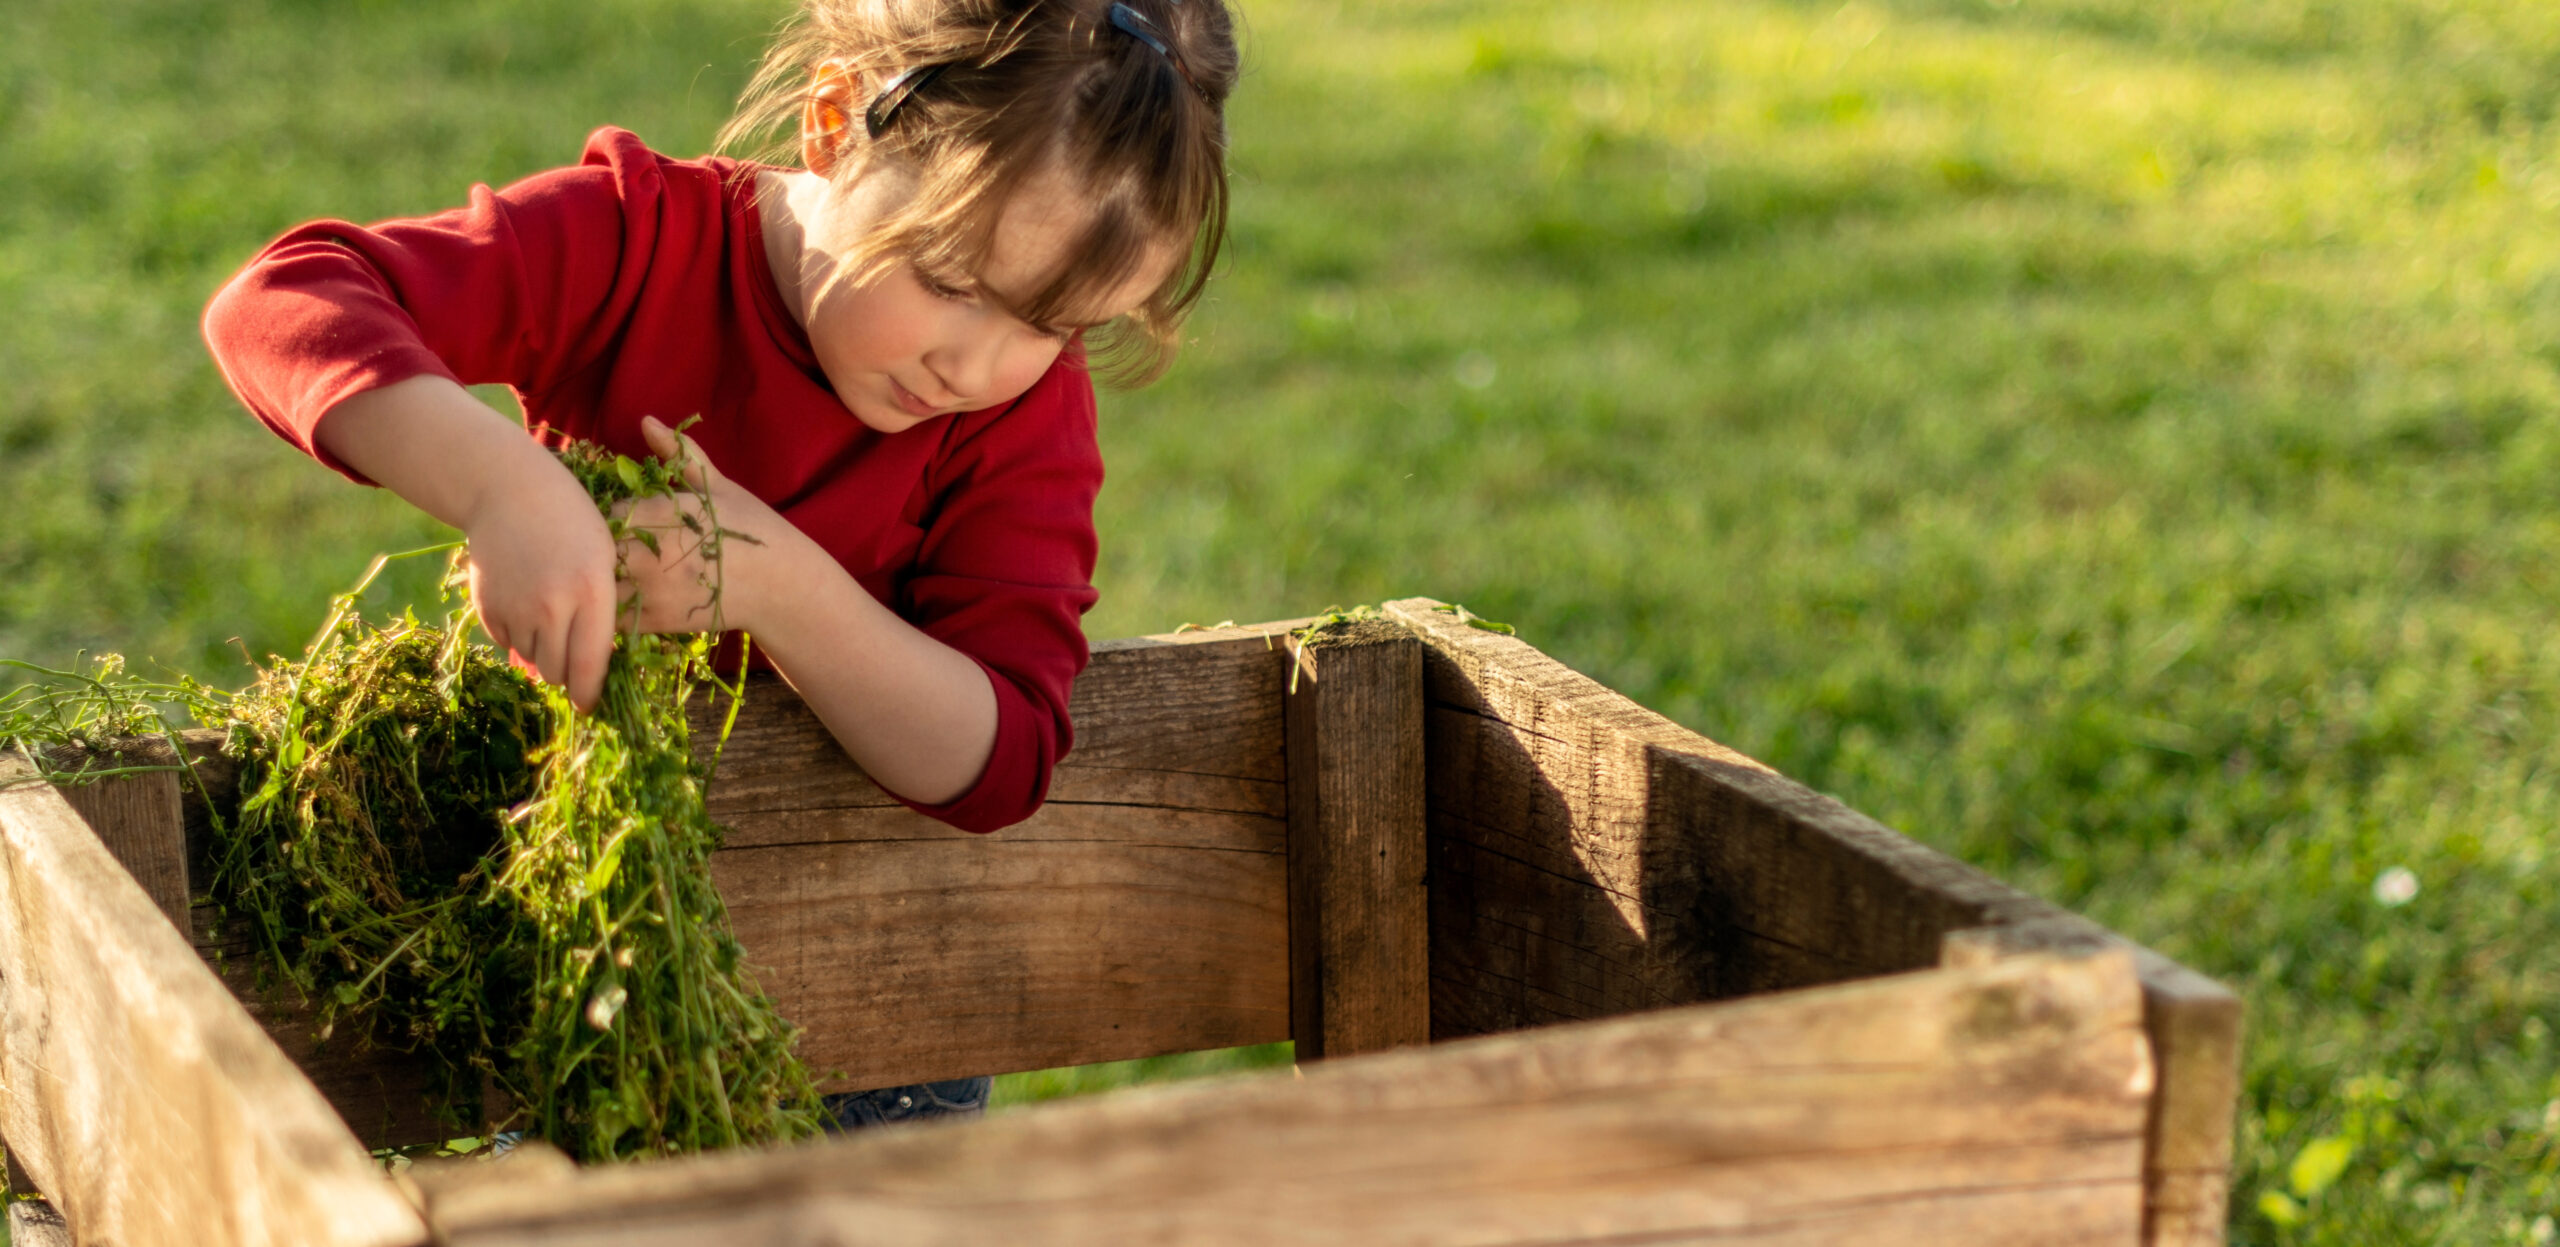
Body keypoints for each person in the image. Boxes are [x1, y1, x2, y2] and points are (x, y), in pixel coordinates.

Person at [200, 0, 1237, 1130]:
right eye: (947, 279)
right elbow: (286, 297)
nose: (973, 362)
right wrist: (501, 482)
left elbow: (1000, 754)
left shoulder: (1018, 413)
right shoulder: (640, 243)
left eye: (1050, 322)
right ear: (833, 121)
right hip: (577, 945)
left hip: (868, 1026)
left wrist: (777, 584)